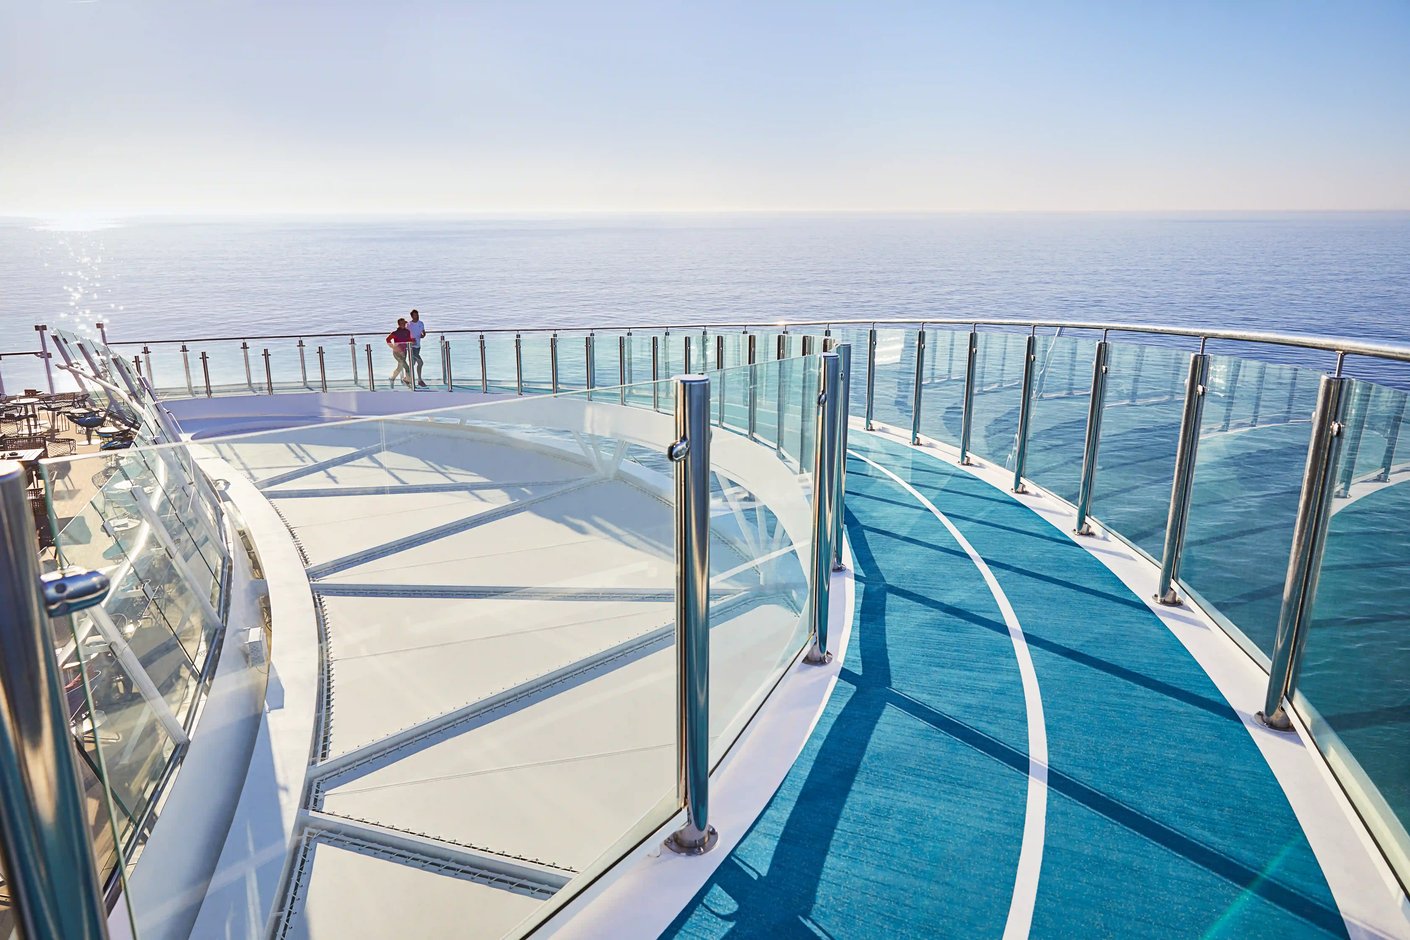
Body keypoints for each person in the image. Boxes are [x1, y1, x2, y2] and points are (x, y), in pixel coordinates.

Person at [386, 318, 413, 388]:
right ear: (398, 324)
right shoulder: (395, 333)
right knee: (407, 367)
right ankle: (407, 381)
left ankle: (392, 379)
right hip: (397, 353)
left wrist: (413, 340)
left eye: (404, 323)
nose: (403, 325)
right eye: (401, 323)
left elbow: (408, 339)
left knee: (400, 367)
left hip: (404, 352)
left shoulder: (407, 331)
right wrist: (393, 347)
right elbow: (388, 339)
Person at [407, 309, 428, 387]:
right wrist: (410, 341)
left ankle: (407, 379)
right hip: (411, 347)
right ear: (412, 316)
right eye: (415, 315)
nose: (417, 316)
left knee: (413, 363)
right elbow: (406, 335)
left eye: (417, 314)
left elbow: (423, 332)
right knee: (420, 362)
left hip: (418, 346)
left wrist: (423, 335)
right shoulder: (409, 325)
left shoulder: (421, 323)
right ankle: (419, 380)